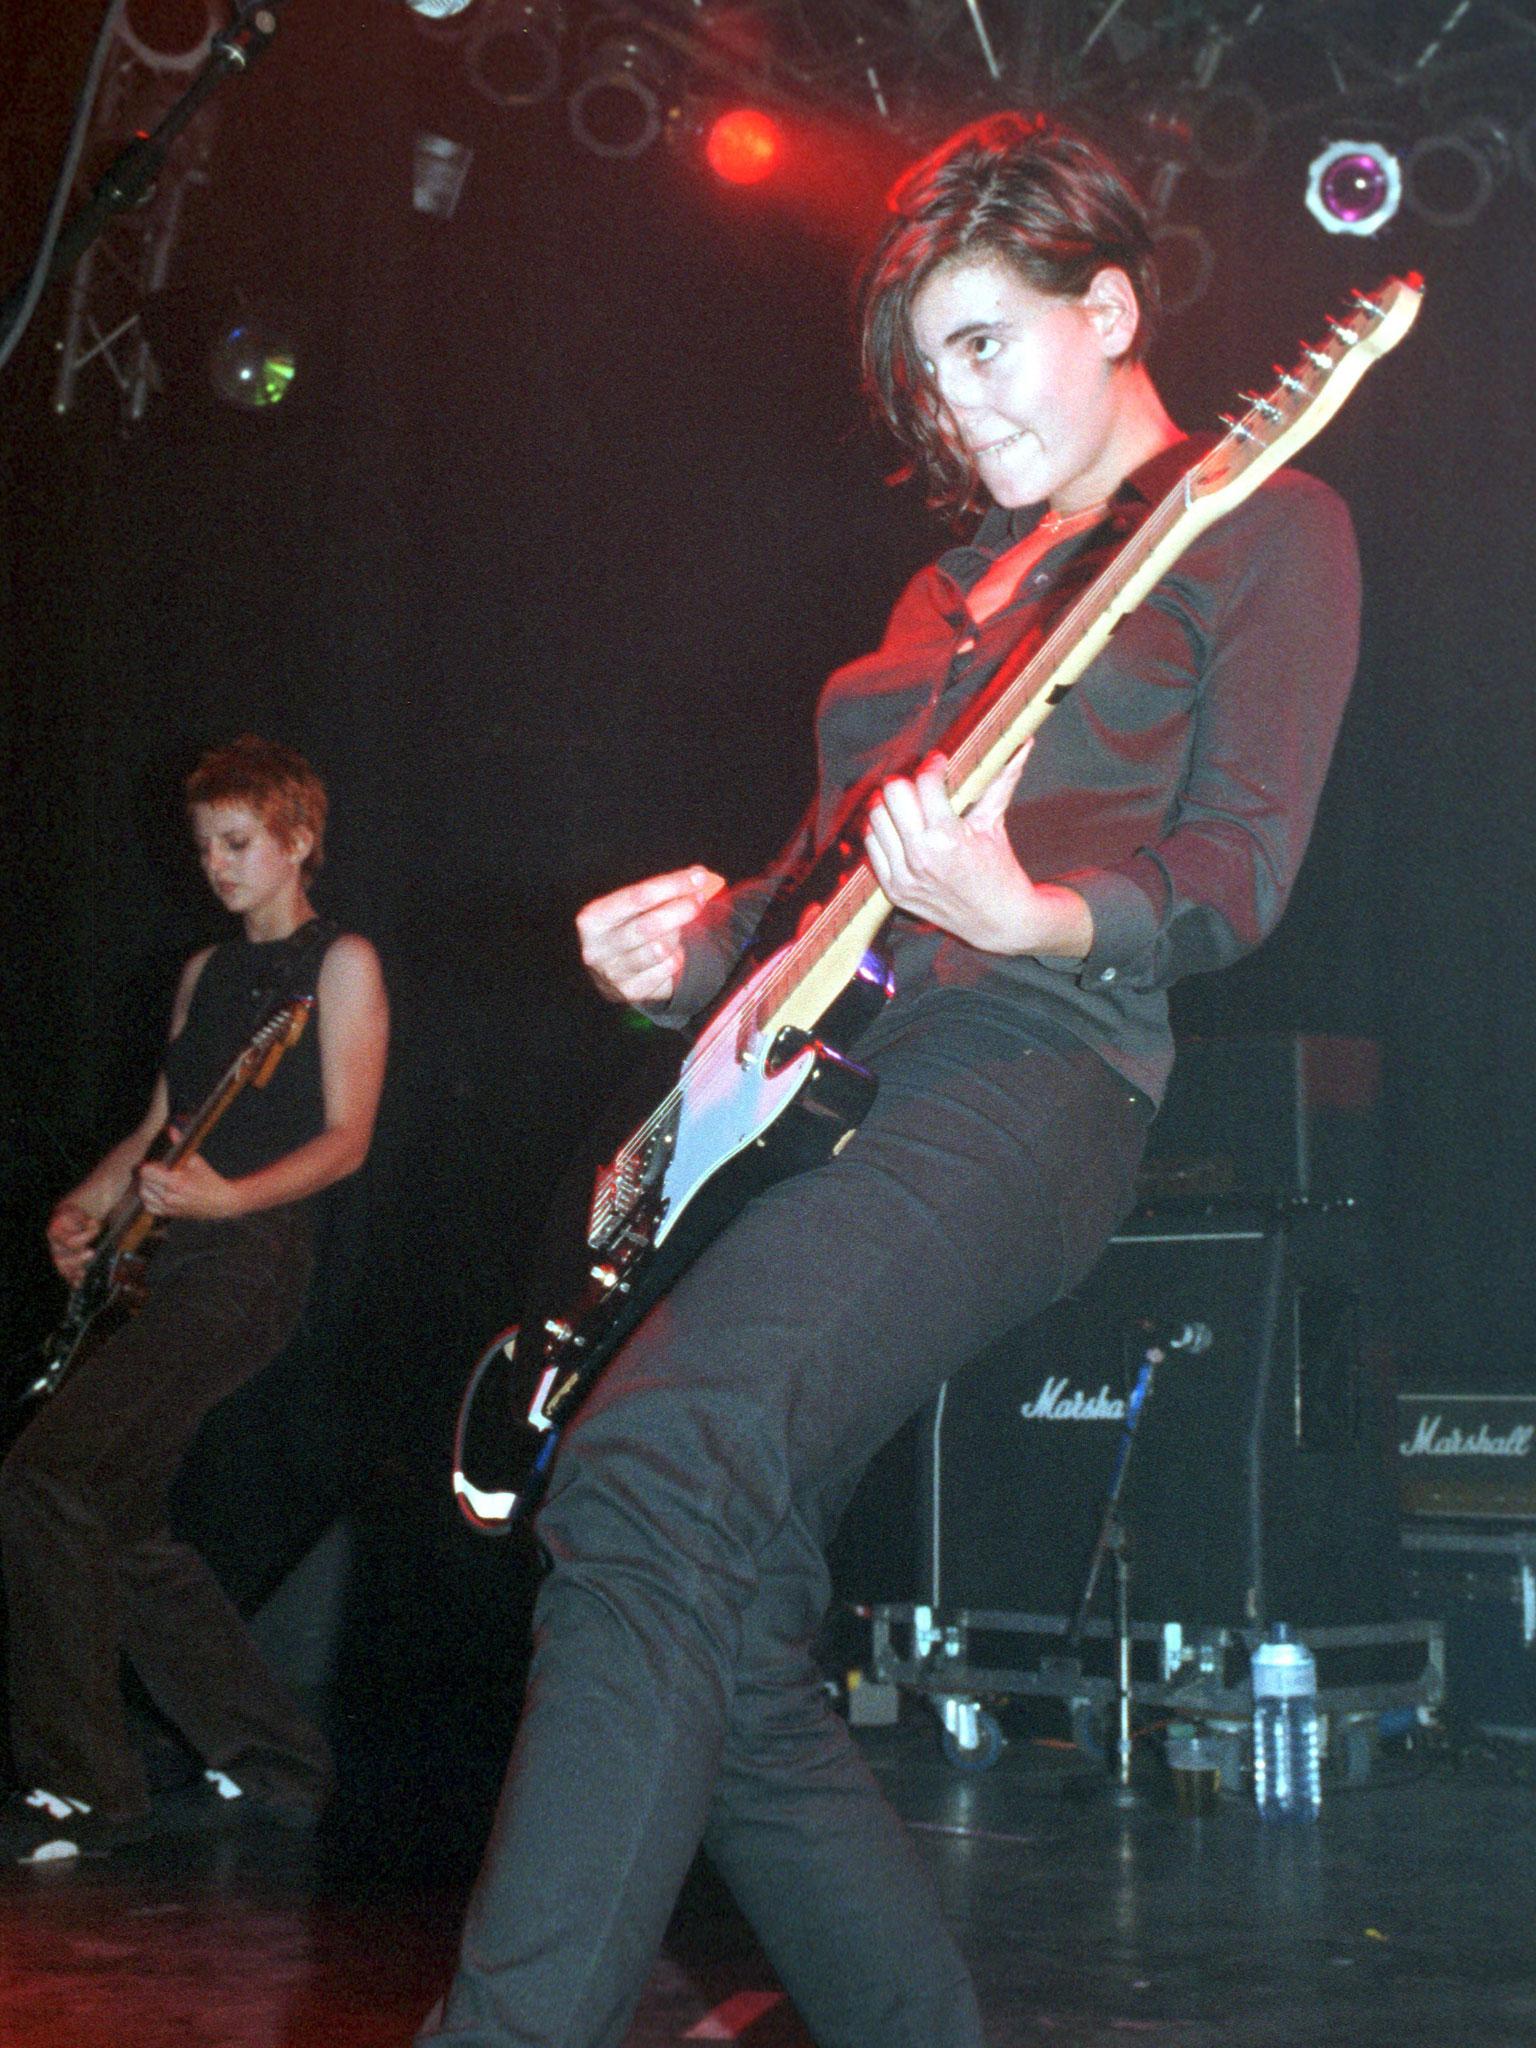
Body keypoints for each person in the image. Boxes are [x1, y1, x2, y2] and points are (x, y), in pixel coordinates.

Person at [419, 113, 1361, 2046]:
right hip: (813, 1090)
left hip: (1028, 1078)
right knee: (731, 1620)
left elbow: (1235, 871)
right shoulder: (943, 602)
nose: (953, 403)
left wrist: (1026, 911)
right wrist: (687, 946)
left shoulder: (1263, 522)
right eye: (925, 369)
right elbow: (816, 884)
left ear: (1108, 307)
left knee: (661, 1466)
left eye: (984, 343)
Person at [0, 736, 389, 1863]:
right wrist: (84, 1207)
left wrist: (229, 1200)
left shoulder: (342, 962)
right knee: (114, 1519)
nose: (217, 866)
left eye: (238, 842)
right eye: (205, 846)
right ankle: (276, 1759)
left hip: (254, 1257)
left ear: (298, 839)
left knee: (41, 1476)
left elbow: (348, 1138)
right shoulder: (208, 975)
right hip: (167, 1257)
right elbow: (158, 1130)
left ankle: (80, 1784)